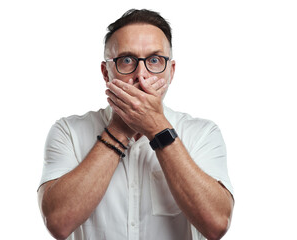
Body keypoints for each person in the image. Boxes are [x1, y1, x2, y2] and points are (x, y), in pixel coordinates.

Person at [38, 9, 234, 240]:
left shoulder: (202, 134)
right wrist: (121, 128)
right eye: (127, 60)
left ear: (170, 72)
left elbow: (217, 225)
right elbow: (58, 223)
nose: (141, 75)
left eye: (154, 60)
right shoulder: (68, 131)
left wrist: (157, 127)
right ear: (106, 72)